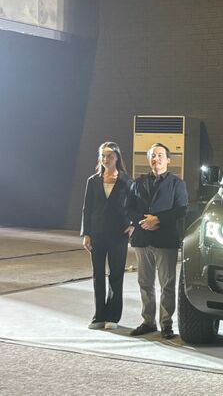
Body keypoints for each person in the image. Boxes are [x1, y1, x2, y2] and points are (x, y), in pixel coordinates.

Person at [126, 143, 188, 339]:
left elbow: (181, 209)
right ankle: (148, 322)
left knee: (167, 284)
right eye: (153, 155)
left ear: (168, 160)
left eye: (160, 155)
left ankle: (166, 324)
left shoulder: (177, 184)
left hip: (165, 239)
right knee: (145, 283)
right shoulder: (137, 183)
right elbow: (128, 208)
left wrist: (158, 219)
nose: (156, 159)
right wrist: (144, 221)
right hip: (142, 239)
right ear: (149, 159)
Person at [80, 142, 133, 330]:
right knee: (98, 275)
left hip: (119, 234)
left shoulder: (127, 181)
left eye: (110, 155)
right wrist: (86, 233)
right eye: (103, 155)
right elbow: (87, 209)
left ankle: (113, 317)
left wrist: (133, 224)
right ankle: (98, 317)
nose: (106, 159)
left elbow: (135, 205)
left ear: (117, 157)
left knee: (116, 275)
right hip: (97, 234)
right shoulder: (93, 181)